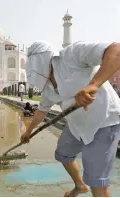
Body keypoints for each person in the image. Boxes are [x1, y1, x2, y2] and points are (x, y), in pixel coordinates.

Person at [20, 40, 120, 197]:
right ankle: (80, 185)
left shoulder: (71, 56)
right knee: (63, 153)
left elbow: (116, 49)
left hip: (103, 120)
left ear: (38, 60)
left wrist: (93, 85)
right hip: (77, 125)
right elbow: (41, 111)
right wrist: (28, 131)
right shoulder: (48, 88)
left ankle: (91, 186)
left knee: (97, 182)